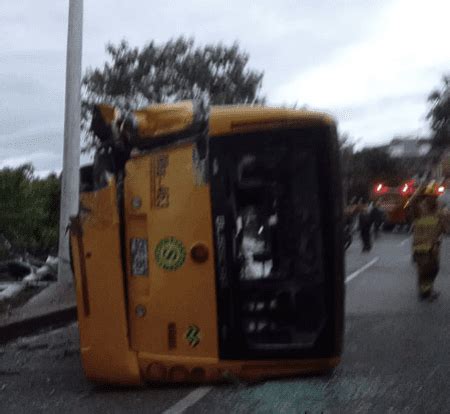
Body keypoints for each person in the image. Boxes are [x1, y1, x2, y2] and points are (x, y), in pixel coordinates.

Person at [410, 187, 446, 301]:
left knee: (434, 269)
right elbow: (411, 202)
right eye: (430, 197)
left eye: (434, 197)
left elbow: (445, 227)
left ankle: (428, 289)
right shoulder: (419, 208)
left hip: (434, 247)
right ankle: (425, 292)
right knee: (424, 269)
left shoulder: (439, 211)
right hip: (421, 246)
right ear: (425, 197)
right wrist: (420, 190)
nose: (432, 199)